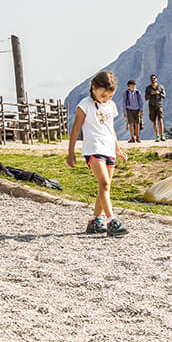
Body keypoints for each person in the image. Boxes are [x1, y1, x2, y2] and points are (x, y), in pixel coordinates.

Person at [66, 71, 128, 236]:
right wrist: (71, 152)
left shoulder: (111, 106)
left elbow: (110, 129)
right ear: (93, 88)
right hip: (93, 148)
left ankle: (95, 220)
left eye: (109, 96)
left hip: (109, 148)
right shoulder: (84, 105)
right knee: (105, 183)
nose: (105, 99)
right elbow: (76, 129)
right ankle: (112, 221)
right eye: (102, 95)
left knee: (104, 187)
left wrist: (117, 148)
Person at [145, 74, 167, 142]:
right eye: (152, 78)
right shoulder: (148, 88)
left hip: (159, 105)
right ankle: (157, 136)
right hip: (151, 106)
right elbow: (146, 98)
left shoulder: (160, 87)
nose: (153, 80)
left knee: (160, 120)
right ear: (150, 79)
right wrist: (150, 94)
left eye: (154, 78)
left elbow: (164, 96)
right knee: (154, 121)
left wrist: (159, 93)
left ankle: (162, 135)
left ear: (156, 79)